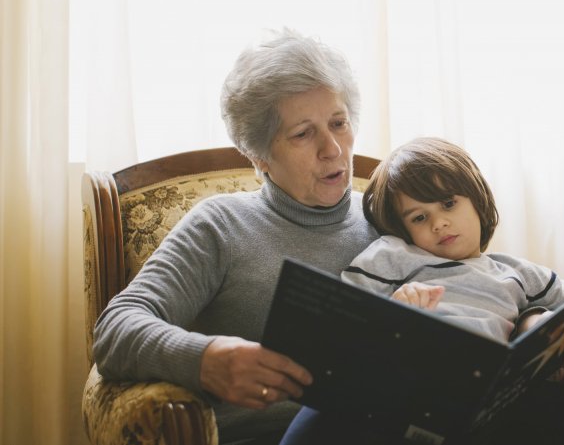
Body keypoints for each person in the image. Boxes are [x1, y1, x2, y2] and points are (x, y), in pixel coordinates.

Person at [92, 29, 380, 444]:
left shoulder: (388, 213)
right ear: (259, 155)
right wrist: (205, 360)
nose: (333, 148)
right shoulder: (222, 225)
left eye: (339, 123)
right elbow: (115, 329)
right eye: (303, 133)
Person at [279, 137, 564, 445]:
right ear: (403, 229)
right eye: (419, 218)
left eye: (448, 203)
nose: (440, 222)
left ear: (476, 198)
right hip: (401, 396)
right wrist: (391, 314)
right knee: (325, 418)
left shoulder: (517, 272)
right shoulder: (390, 256)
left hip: (495, 403)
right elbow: (343, 322)